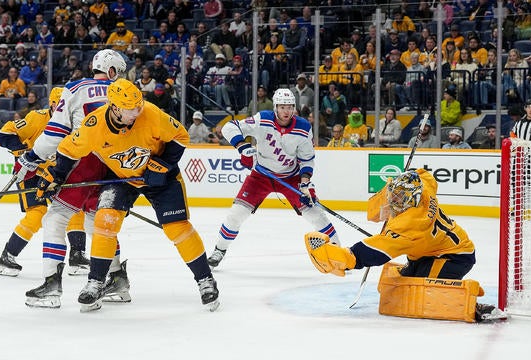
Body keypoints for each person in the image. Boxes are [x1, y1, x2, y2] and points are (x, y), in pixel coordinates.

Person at [35, 78, 220, 312]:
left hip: (161, 177)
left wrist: (160, 165)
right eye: (130, 109)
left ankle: (205, 280)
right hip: (123, 178)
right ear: (114, 107)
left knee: (177, 228)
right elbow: (67, 150)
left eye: (138, 105)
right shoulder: (94, 125)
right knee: (104, 221)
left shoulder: (150, 113)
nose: (137, 111)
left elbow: (181, 136)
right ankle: (96, 283)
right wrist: (56, 176)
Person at [303, 169, 507, 323]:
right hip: (428, 251)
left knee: (428, 293)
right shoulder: (423, 189)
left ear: (412, 199)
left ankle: (475, 307)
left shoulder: (411, 224)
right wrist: (408, 174)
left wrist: (342, 259)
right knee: (408, 285)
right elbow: (424, 174)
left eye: (400, 198)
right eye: (395, 195)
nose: (393, 200)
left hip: (455, 256)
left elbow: (375, 251)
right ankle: (423, 270)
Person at [13, 50, 132, 308]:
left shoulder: (76, 88)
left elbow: (56, 133)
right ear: (112, 70)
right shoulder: (126, 91)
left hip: (84, 161)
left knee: (55, 217)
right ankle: (118, 280)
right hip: (117, 166)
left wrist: (32, 157)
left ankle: (51, 285)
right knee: (97, 224)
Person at [206, 88, 339, 268]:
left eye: (290, 107)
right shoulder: (263, 119)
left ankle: (338, 254)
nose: (286, 111)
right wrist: (241, 146)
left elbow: (307, 159)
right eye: (282, 107)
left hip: (291, 178)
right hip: (261, 175)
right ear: (275, 107)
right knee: (236, 215)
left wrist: (305, 184)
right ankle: (219, 250)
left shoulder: (303, 127)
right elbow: (230, 127)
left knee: (316, 214)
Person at [0, 87, 90, 280]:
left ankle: (77, 256)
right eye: (58, 105)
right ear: (53, 104)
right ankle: (8, 256)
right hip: (30, 172)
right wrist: (20, 149)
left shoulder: (76, 123)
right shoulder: (36, 118)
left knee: (74, 209)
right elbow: (5, 134)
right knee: (36, 215)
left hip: (54, 174)